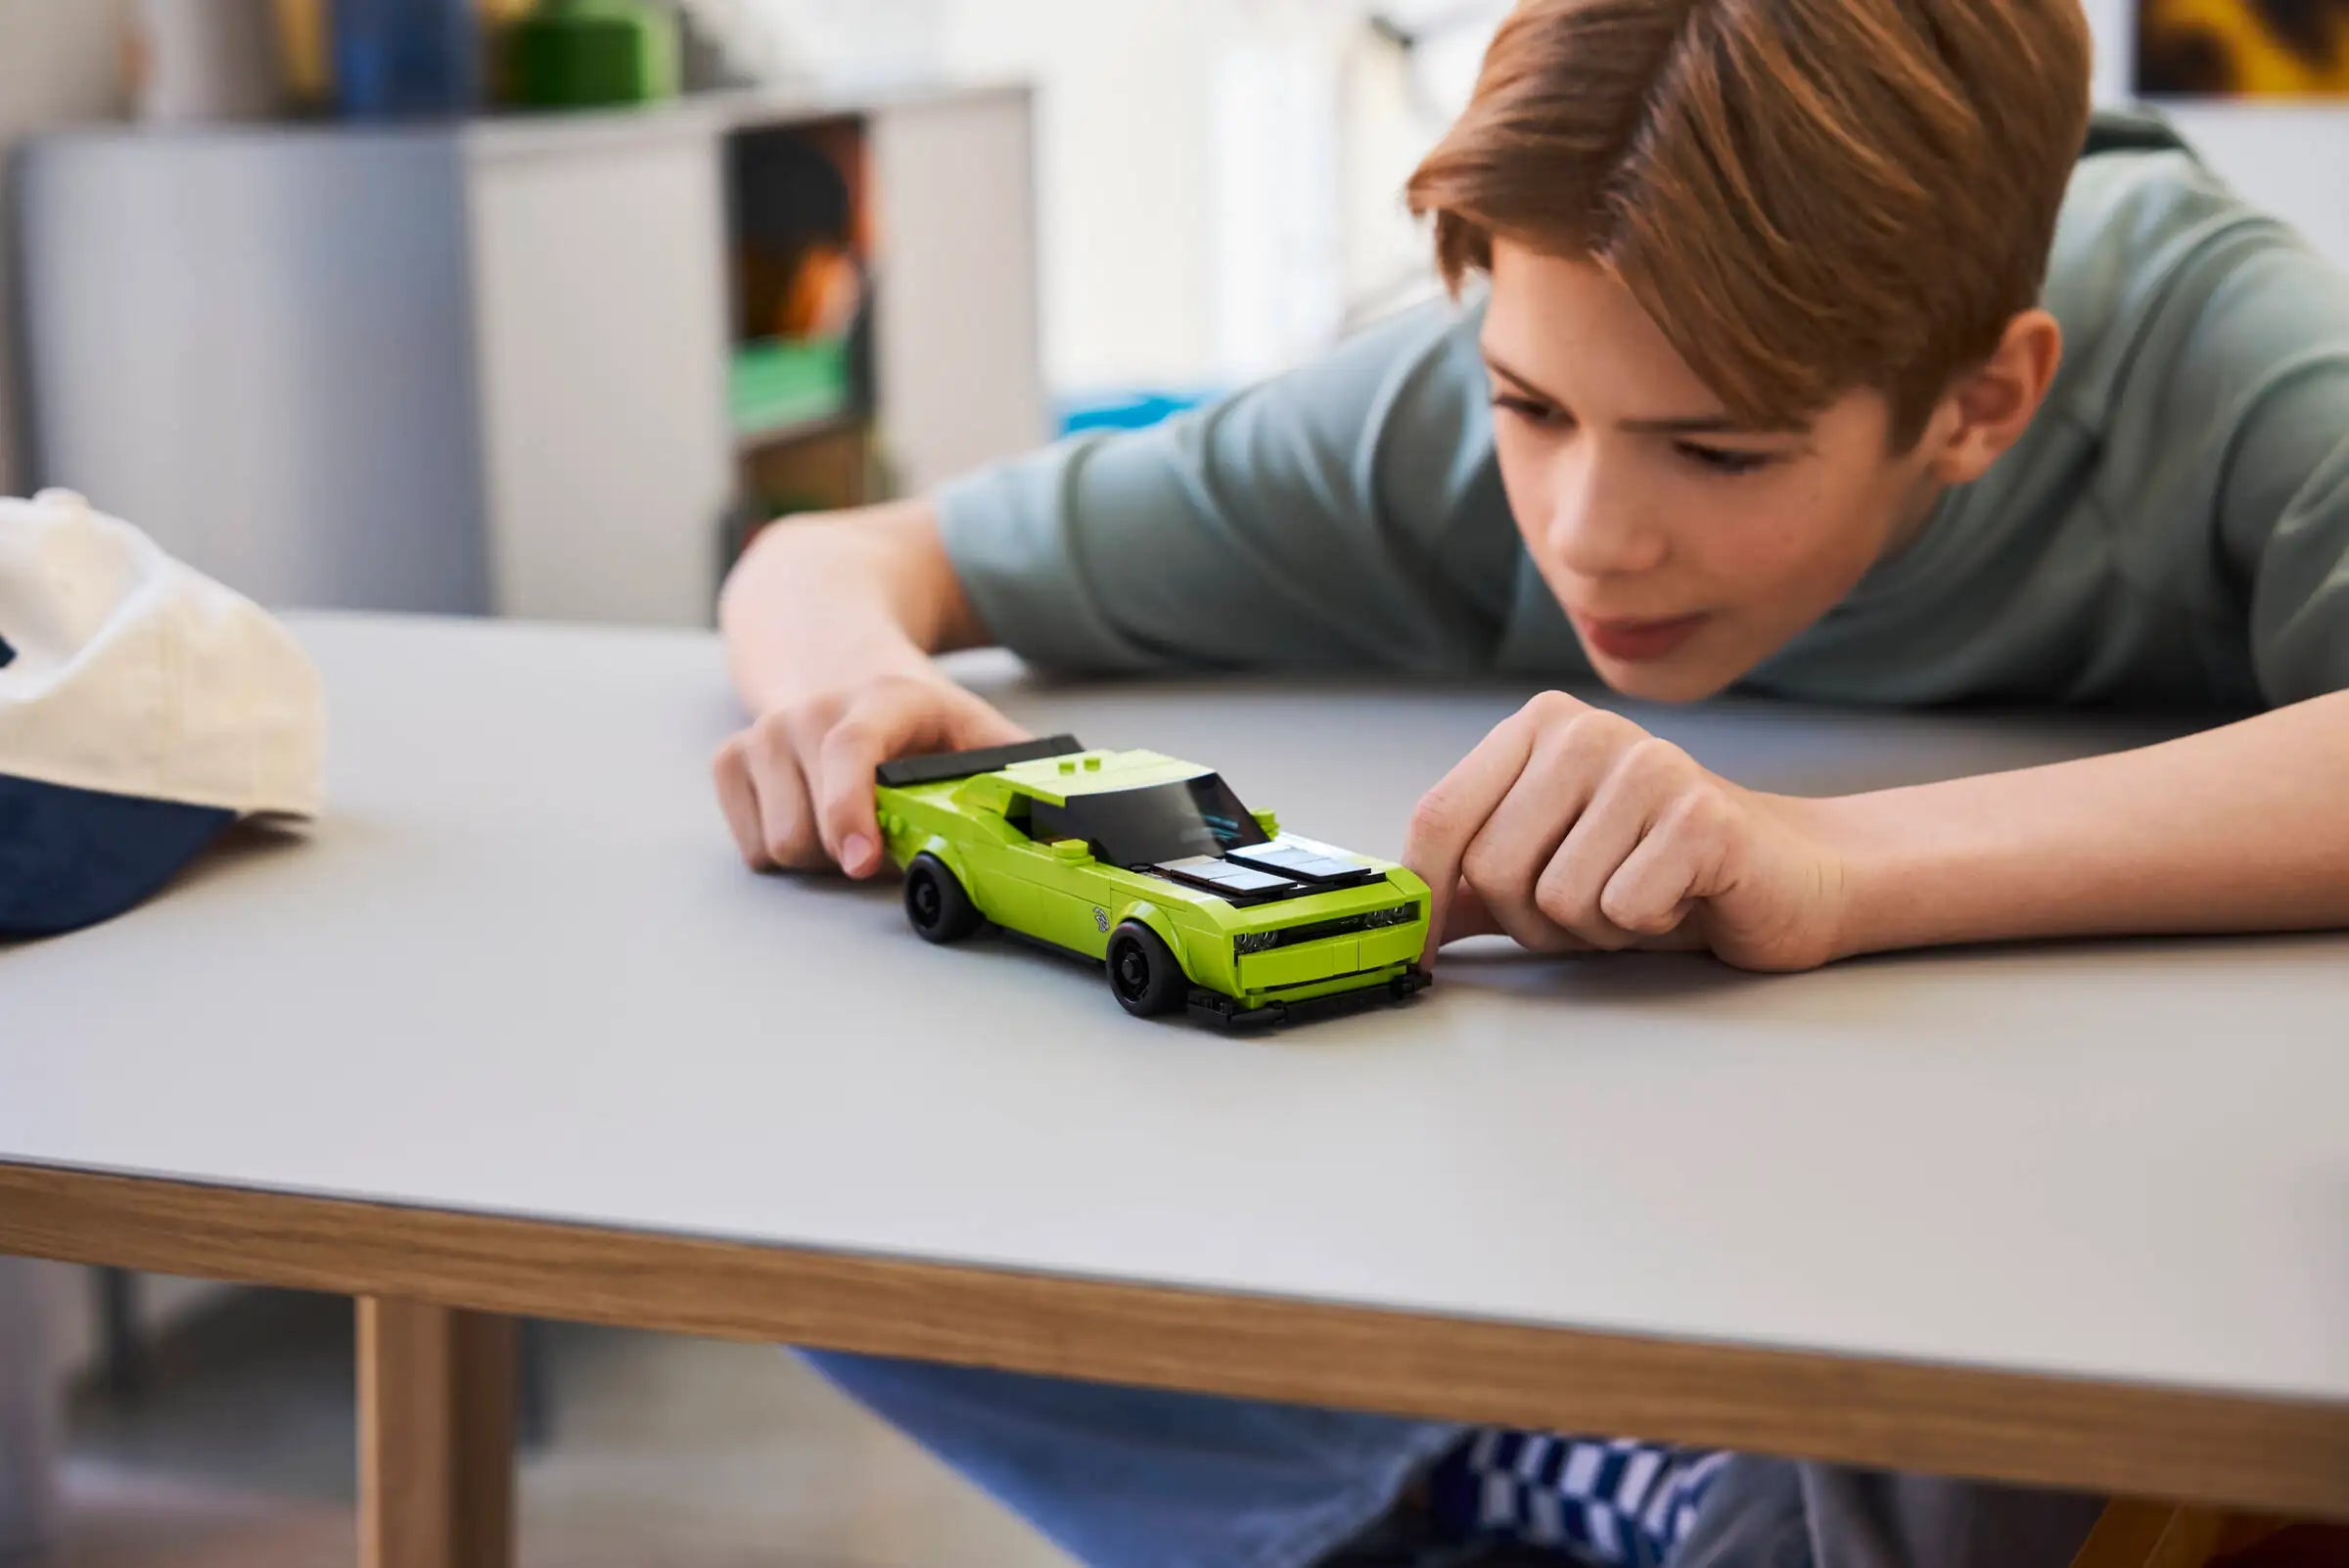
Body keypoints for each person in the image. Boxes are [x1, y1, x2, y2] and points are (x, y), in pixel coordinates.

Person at [710, 1, 2349, 1563]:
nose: (1583, 531)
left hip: (2049, 1188)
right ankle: (1532, 1478)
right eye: (1530, 406)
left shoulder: (2231, 350)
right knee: (825, 1213)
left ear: (1984, 401)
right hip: (1593, 1221)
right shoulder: (1433, 413)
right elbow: (839, 555)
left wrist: (1834, 861)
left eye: (1718, 450)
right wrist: (855, 695)